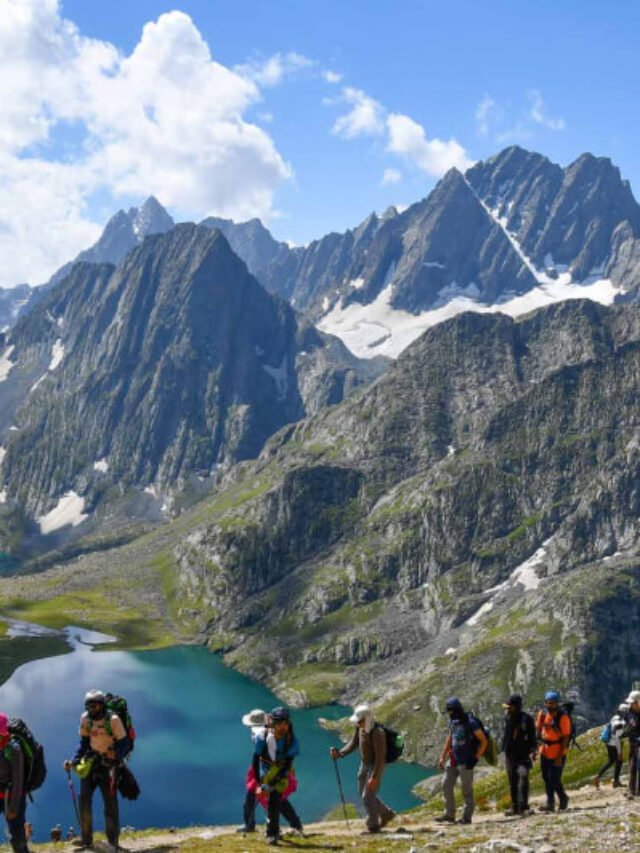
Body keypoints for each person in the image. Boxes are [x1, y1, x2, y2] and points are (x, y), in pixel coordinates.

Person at [63, 689, 131, 851]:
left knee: (110, 803)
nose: (90, 710)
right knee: (84, 801)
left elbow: (125, 743)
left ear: (101, 705)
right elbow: (84, 742)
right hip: (91, 762)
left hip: (108, 765)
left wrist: (116, 754)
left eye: (93, 706)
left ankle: (113, 842)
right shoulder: (85, 718)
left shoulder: (113, 720)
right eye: (88, 706)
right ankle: (87, 841)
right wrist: (74, 761)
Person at [330, 703, 395, 835]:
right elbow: (353, 743)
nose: (358, 724)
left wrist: (375, 777)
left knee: (367, 796)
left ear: (367, 718)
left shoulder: (378, 733)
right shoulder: (360, 728)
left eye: (360, 721)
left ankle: (373, 825)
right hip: (364, 764)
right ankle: (386, 813)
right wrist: (340, 753)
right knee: (364, 794)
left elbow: (380, 758)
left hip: (375, 766)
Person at [253, 707, 303, 846]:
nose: (283, 726)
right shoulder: (262, 737)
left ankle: (272, 833)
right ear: (273, 723)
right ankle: (294, 824)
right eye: (279, 722)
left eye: (285, 723)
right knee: (278, 801)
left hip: (281, 772)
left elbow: (287, 765)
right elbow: (255, 759)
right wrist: (259, 784)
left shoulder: (291, 740)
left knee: (274, 799)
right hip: (265, 771)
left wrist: (272, 783)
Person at [436, 697, 487, 825]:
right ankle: (449, 814)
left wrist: (475, 758)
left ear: (457, 709)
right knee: (446, 784)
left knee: (466, 790)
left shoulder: (470, 722)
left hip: (466, 761)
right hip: (453, 759)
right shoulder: (453, 722)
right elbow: (449, 739)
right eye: (448, 711)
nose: (450, 713)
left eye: (451, 710)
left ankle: (466, 817)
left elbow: (484, 741)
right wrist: (442, 757)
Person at [501, 694, 537, 816]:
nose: (507, 709)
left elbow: (532, 737)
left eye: (510, 707)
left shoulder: (527, 719)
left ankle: (524, 806)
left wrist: (533, 751)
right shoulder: (508, 718)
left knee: (523, 778)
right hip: (510, 755)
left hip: (523, 755)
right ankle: (515, 807)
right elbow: (506, 736)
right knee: (512, 781)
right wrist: (503, 750)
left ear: (516, 707)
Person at [536, 690, 571, 812]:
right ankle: (550, 803)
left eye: (553, 703)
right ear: (545, 703)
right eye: (548, 703)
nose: (550, 705)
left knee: (554, 779)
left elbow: (566, 737)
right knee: (546, 777)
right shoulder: (543, 714)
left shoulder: (563, 717)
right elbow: (538, 729)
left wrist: (559, 756)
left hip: (558, 751)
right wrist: (536, 747)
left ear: (557, 703)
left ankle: (563, 798)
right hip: (545, 750)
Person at [0, 713, 30, 853]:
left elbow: (18, 780)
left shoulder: (13, 748)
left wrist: (13, 807)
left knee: (17, 836)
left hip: (12, 796)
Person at [594, 704, 627, 788]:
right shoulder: (621, 724)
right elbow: (617, 738)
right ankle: (616, 781)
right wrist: (619, 752)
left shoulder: (615, 717)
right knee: (619, 761)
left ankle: (598, 776)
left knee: (611, 761)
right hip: (614, 744)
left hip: (608, 742)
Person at [625, 690, 640, 798]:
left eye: (633, 703)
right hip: (634, 742)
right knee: (633, 765)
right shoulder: (629, 712)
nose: (630, 704)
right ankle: (632, 790)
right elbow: (630, 726)